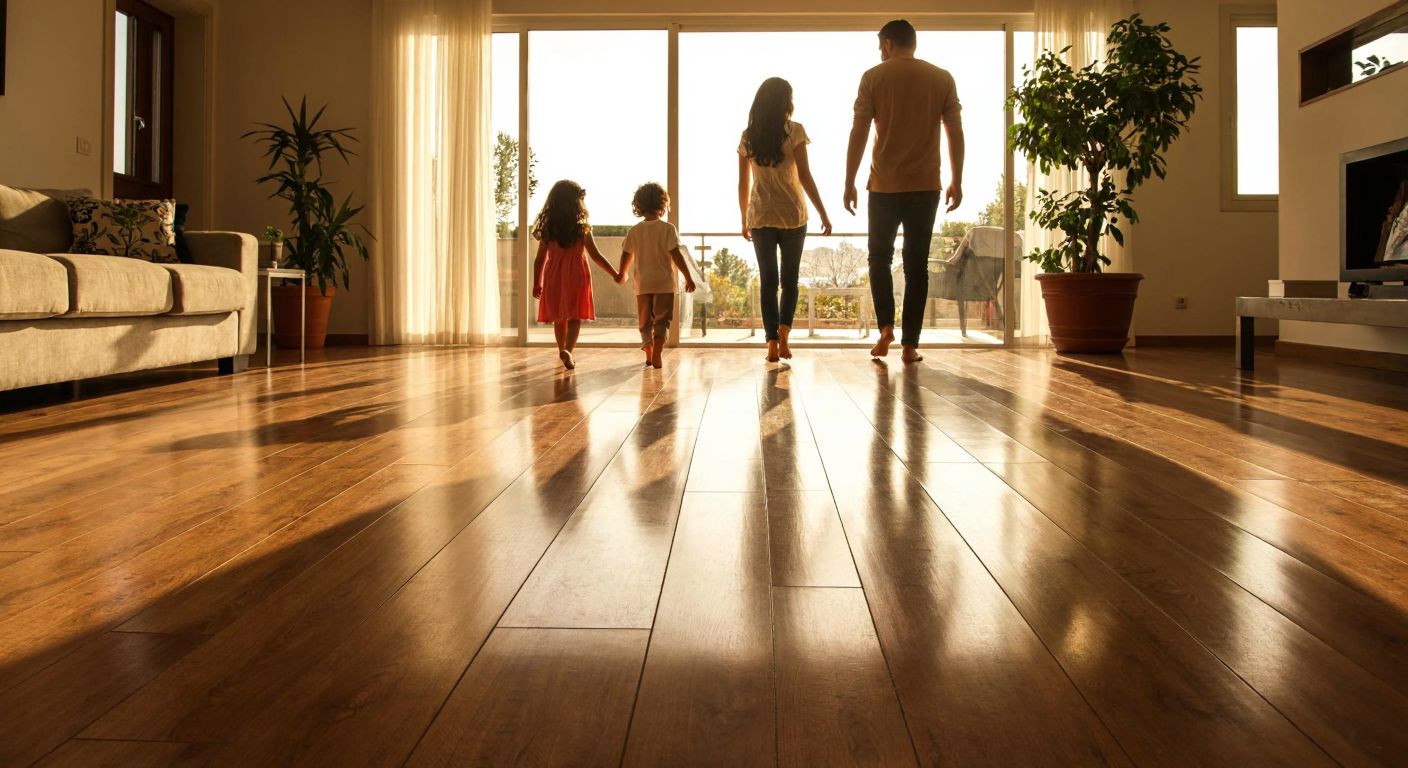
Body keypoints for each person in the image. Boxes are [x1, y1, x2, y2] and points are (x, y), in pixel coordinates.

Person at [844, 18, 965, 364]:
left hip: (883, 186)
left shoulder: (873, 77)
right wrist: (958, 178)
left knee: (878, 259)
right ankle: (910, 345)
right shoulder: (941, 78)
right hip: (926, 186)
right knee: (916, 266)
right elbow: (955, 131)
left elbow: (859, 132)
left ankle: (885, 327)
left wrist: (849, 180)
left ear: (886, 43)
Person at [739, 77, 833, 363]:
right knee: (789, 280)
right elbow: (804, 176)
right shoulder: (795, 131)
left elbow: (742, 184)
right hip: (793, 214)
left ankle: (771, 344)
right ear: (786, 102)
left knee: (769, 281)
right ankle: (784, 337)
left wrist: (744, 218)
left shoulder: (748, 136)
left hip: (761, 215)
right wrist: (823, 213)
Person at [532, 180, 620, 370]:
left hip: (554, 274)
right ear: (576, 202)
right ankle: (569, 350)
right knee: (574, 317)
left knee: (559, 317)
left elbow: (539, 259)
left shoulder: (548, 228)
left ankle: (561, 349)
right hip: (576, 275)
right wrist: (615, 273)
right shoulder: (582, 228)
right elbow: (596, 256)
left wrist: (536, 283)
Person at [616, 182, 696, 369]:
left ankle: (649, 353)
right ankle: (658, 352)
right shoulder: (668, 229)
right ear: (663, 205)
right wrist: (688, 277)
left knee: (645, 321)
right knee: (662, 319)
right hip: (664, 284)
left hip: (642, 284)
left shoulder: (634, 231)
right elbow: (676, 255)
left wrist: (622, 273)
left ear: (639, 206)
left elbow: (626, 254)